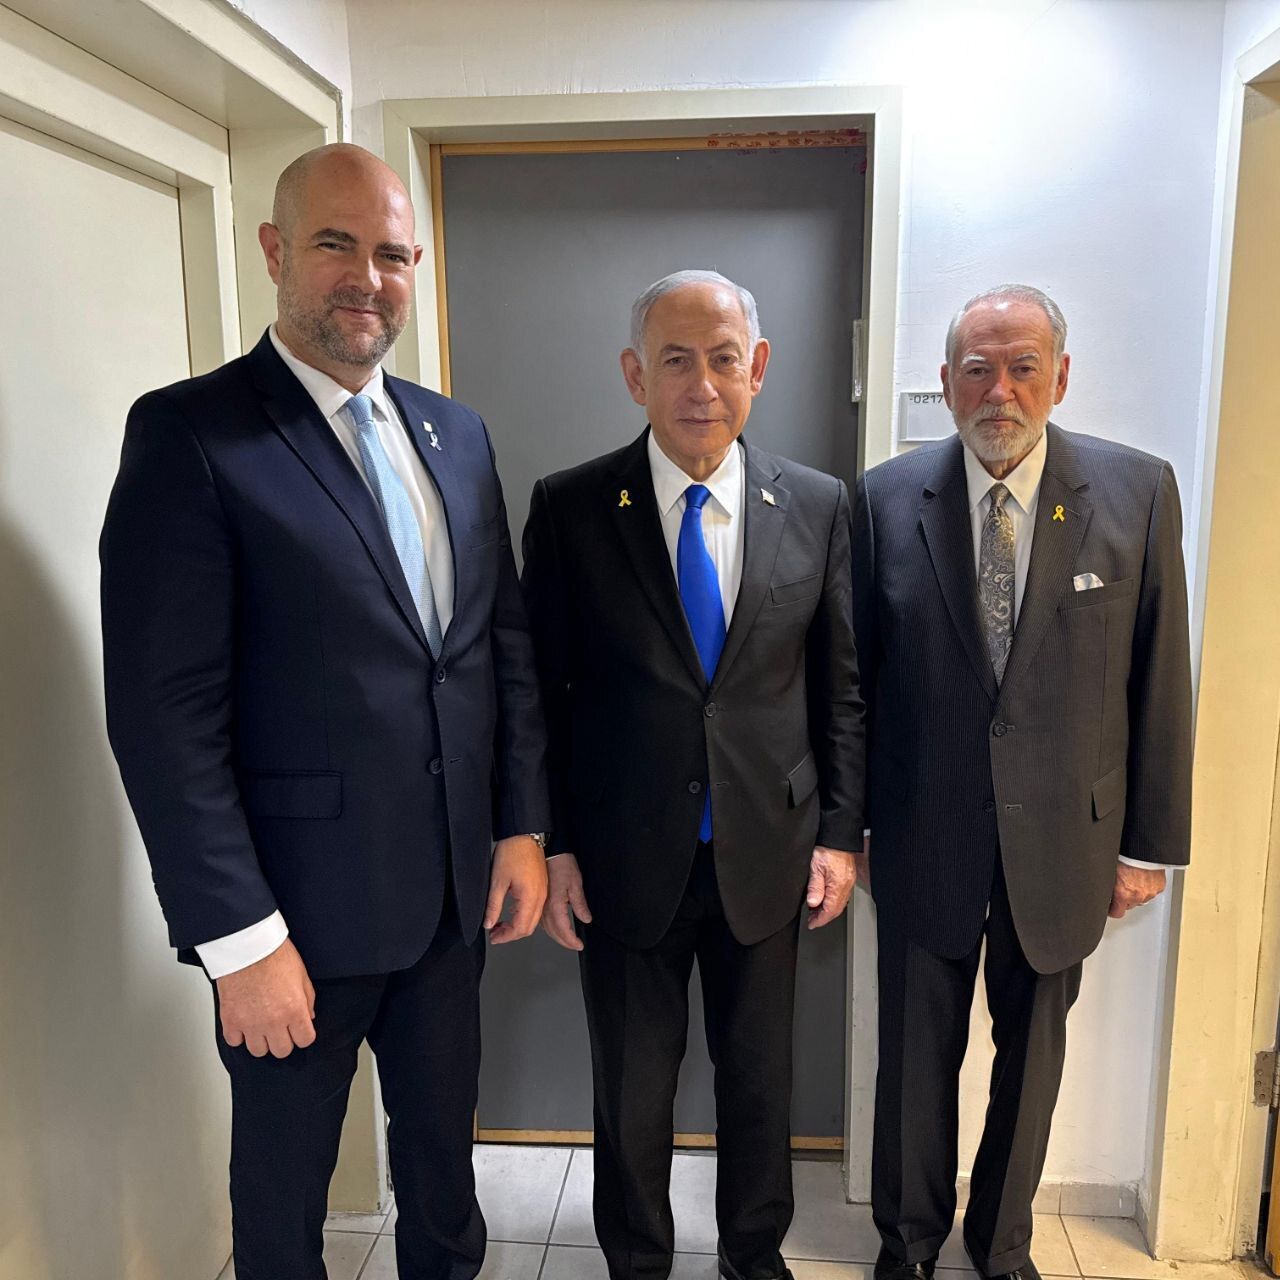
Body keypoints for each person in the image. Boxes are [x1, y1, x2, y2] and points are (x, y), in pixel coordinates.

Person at [100, 143, 551, 1279]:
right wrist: (238, 938)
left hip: (451, 904)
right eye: (335, 245)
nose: (368, 276)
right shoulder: (191, 435)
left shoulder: (456, 435)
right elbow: (164, 716)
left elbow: (497, 647)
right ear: (274, 252)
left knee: (446, 1183)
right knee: (284, 1206)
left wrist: (520, 826)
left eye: (392, 253)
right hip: (291, 922)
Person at [521, 269, 865, 1280]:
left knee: (758, 1082)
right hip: (623, 859)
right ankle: (637, 1259)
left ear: (756, 368)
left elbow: (841, 687)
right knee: (631, 1087)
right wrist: (556, 845)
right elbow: (540, 693)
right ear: (635, 373)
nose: (700, 383)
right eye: (674, 359)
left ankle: (752, 1256)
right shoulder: (575, 504)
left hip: (771, 851)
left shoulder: (815, 503)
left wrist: (841, 833)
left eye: (721, 358)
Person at [852, 285, 1193, 1280]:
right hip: (919, 834)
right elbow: (853, 686)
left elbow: (1158, 675)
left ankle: (999, 1242)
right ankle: (906, 1243)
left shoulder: (1135, 491)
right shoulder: (879, 499)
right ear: (947, 379)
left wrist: (1144, 843)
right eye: (975, 367)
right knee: (913, 1060)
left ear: (1059, 374)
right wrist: (853, 824)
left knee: (1030, 1059)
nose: (997, 389)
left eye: (1020, 366)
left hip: (1067, 842)